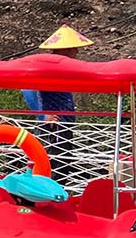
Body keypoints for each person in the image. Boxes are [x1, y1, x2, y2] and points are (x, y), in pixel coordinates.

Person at [20, 25, 92, 177]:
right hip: (53, 126)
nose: (77, 52)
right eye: (74, 48)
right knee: (51, 167)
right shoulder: (48, 67)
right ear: (66, 49)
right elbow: (27, 88)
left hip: (62, 125)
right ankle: (43, 199)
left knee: (62, 167)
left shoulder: (62, 69)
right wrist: (42, 115)